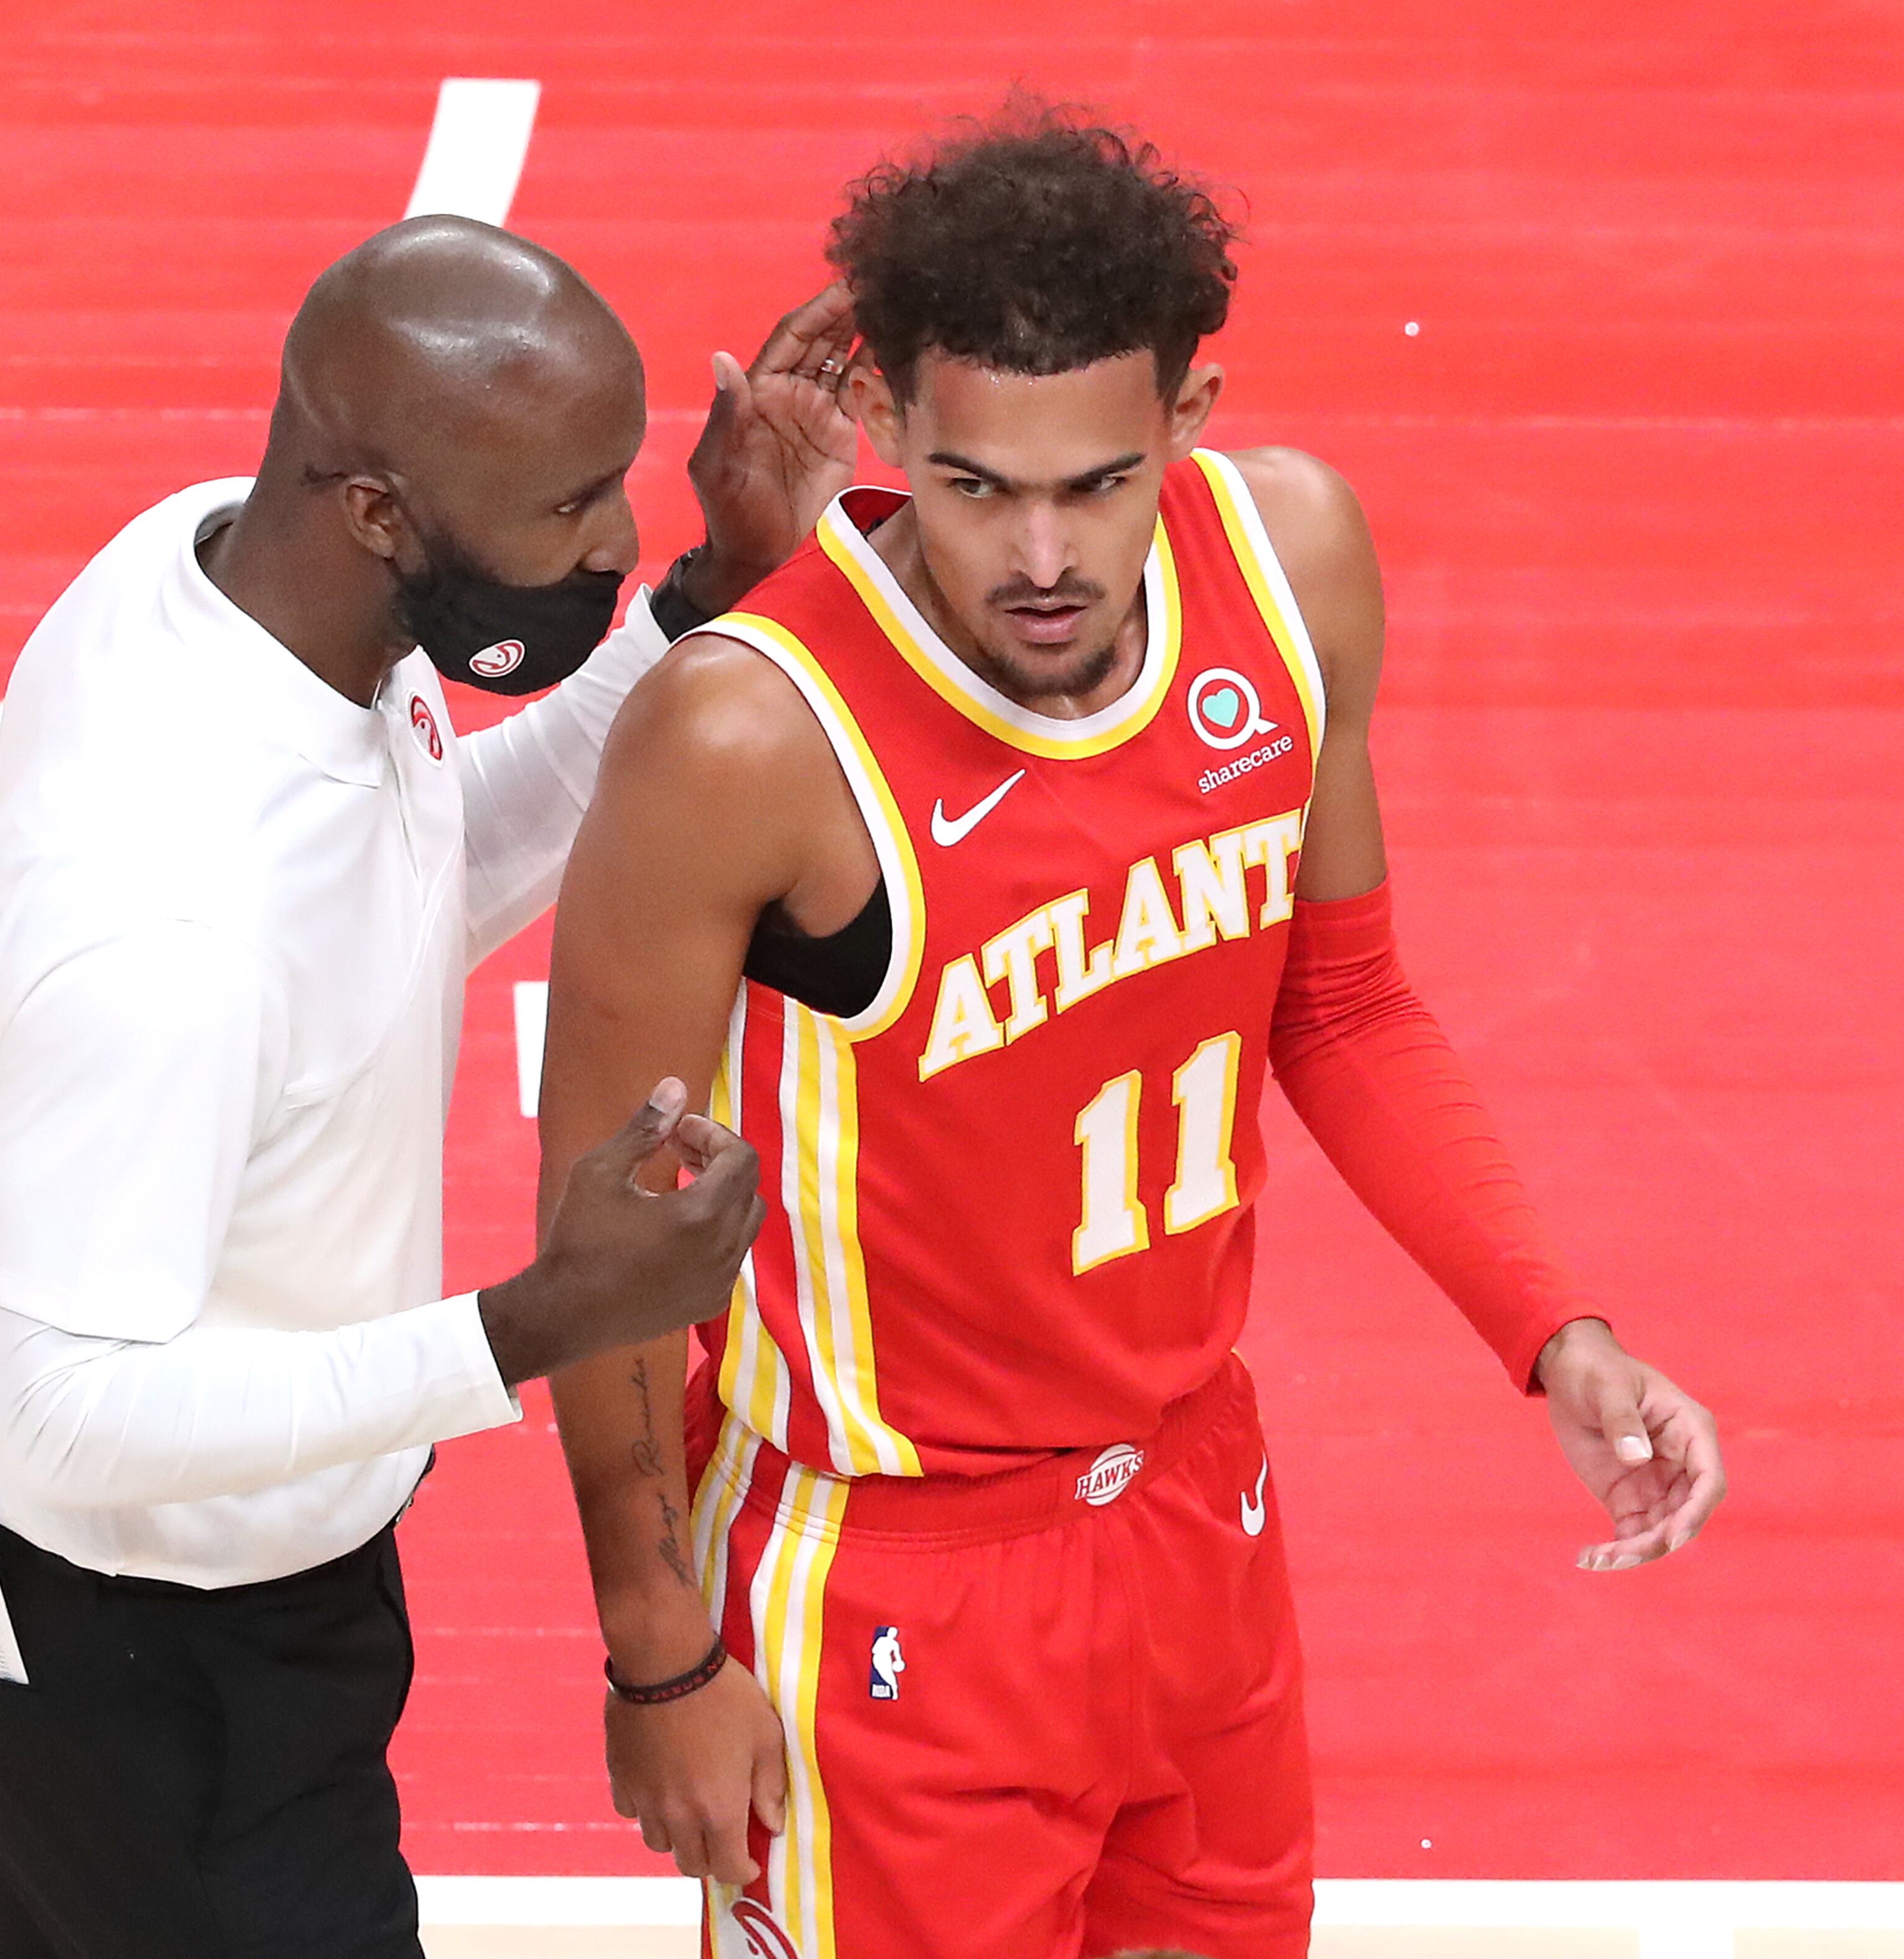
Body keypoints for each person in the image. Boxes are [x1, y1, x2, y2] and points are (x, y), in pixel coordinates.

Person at [535, 116, 1727, 1958]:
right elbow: (603, 1254)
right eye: (970, 484)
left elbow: (1340, 1002)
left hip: (1197, 1519)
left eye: (1094, 484)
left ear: (1192, 412)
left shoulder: (1293, 562)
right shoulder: (745, 742)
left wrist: (1550, 1324)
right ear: (894, 441)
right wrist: (659, 1655)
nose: (1035, 553)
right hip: (887, 1580)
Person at [0, 216, 858, 1958]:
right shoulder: (165, 919)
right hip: (146, 1648)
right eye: (572, 511)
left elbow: (419, 874)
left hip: (181, 1598)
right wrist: (535, 1324)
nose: (611, 537)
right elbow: (61, 1410)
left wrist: (702, 594)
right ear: (383, 512)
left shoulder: (246, 593)